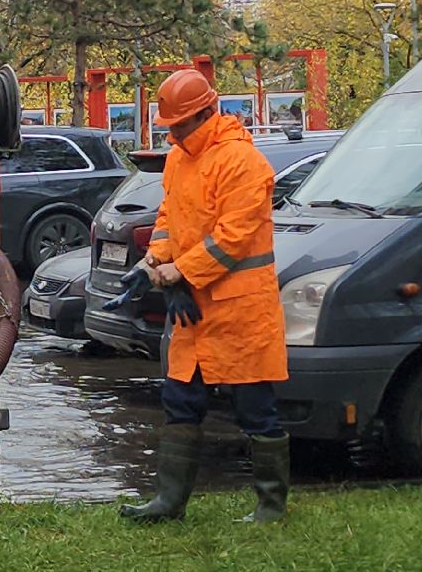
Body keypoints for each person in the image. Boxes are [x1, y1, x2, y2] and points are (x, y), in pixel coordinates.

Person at [114, 69, 290, 524]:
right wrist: (151, 262)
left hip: (240, 307)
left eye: (177, 125)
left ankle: (271, 506)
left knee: (255, 406)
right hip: (192, 305)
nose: (171, 133)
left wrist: (174, 272)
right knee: (180, 399)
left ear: (204, 115)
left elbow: (232, 239)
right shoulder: (179, 159)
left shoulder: (243, 163)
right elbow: (170, 219)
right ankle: (169, 502)